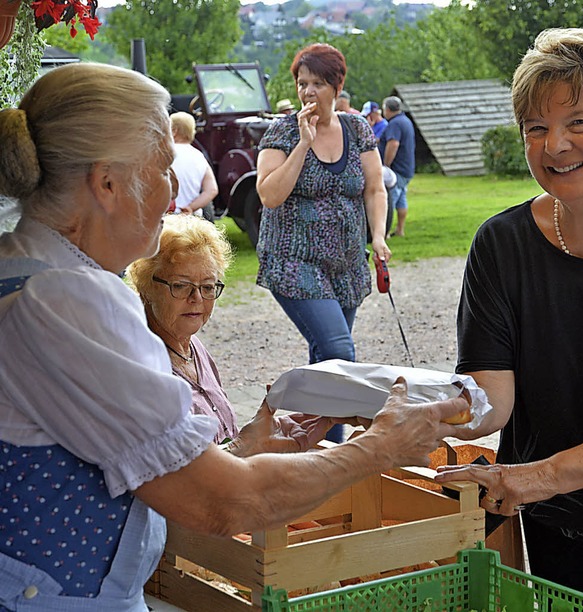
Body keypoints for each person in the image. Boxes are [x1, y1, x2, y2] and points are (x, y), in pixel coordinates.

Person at [0, 61, 467, 610]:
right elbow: (220, 503)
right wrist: (380, 447)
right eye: (161, 169)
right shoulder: (64, 300)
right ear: (106, 184)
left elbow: (128, 453)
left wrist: (243, 447)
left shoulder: (28, 268)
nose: (174, 188)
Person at [434, 28, 583, 608]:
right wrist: (398, 414)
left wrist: (533, 478)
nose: (555, 146)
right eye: (536, 128)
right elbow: (489, 399)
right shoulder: (501, 244)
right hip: (556, 534)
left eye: (578, 121)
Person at [255, 43, 391, 443]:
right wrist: (303, 143)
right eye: (302, 83)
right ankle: (337, 454)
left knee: (327, 364)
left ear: (338, 85)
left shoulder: (357, 129)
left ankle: (315, 451)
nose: (308, 91)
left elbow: (374, 189)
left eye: (318, 83)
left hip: (346, 263)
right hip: (295, 261)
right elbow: (269, 195)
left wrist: (379, 236)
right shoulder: (280, 131)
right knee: (339, 352)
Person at [127, 214, 238, 443]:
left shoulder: (192, 346)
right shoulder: (145, 366)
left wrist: (266, 429)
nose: (196, 298)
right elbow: (183, 471)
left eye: (207, 286)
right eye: (181, 285)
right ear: (146, 286)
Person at [379, 95, 415, 238]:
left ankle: (383, 233)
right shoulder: (405, 120)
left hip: (397, 169)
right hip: (407, 168)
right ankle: (400, 230)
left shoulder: (395, 124)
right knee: (401, 200)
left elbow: (393, 144)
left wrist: (386, 165)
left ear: (388, 109)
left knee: (389, 201)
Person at [170, 111, 218, 215]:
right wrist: (191, 207)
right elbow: (212, 190)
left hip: (168, 216)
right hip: (191, 217)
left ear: (174, 131)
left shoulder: (164, 153)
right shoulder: (199, 156)